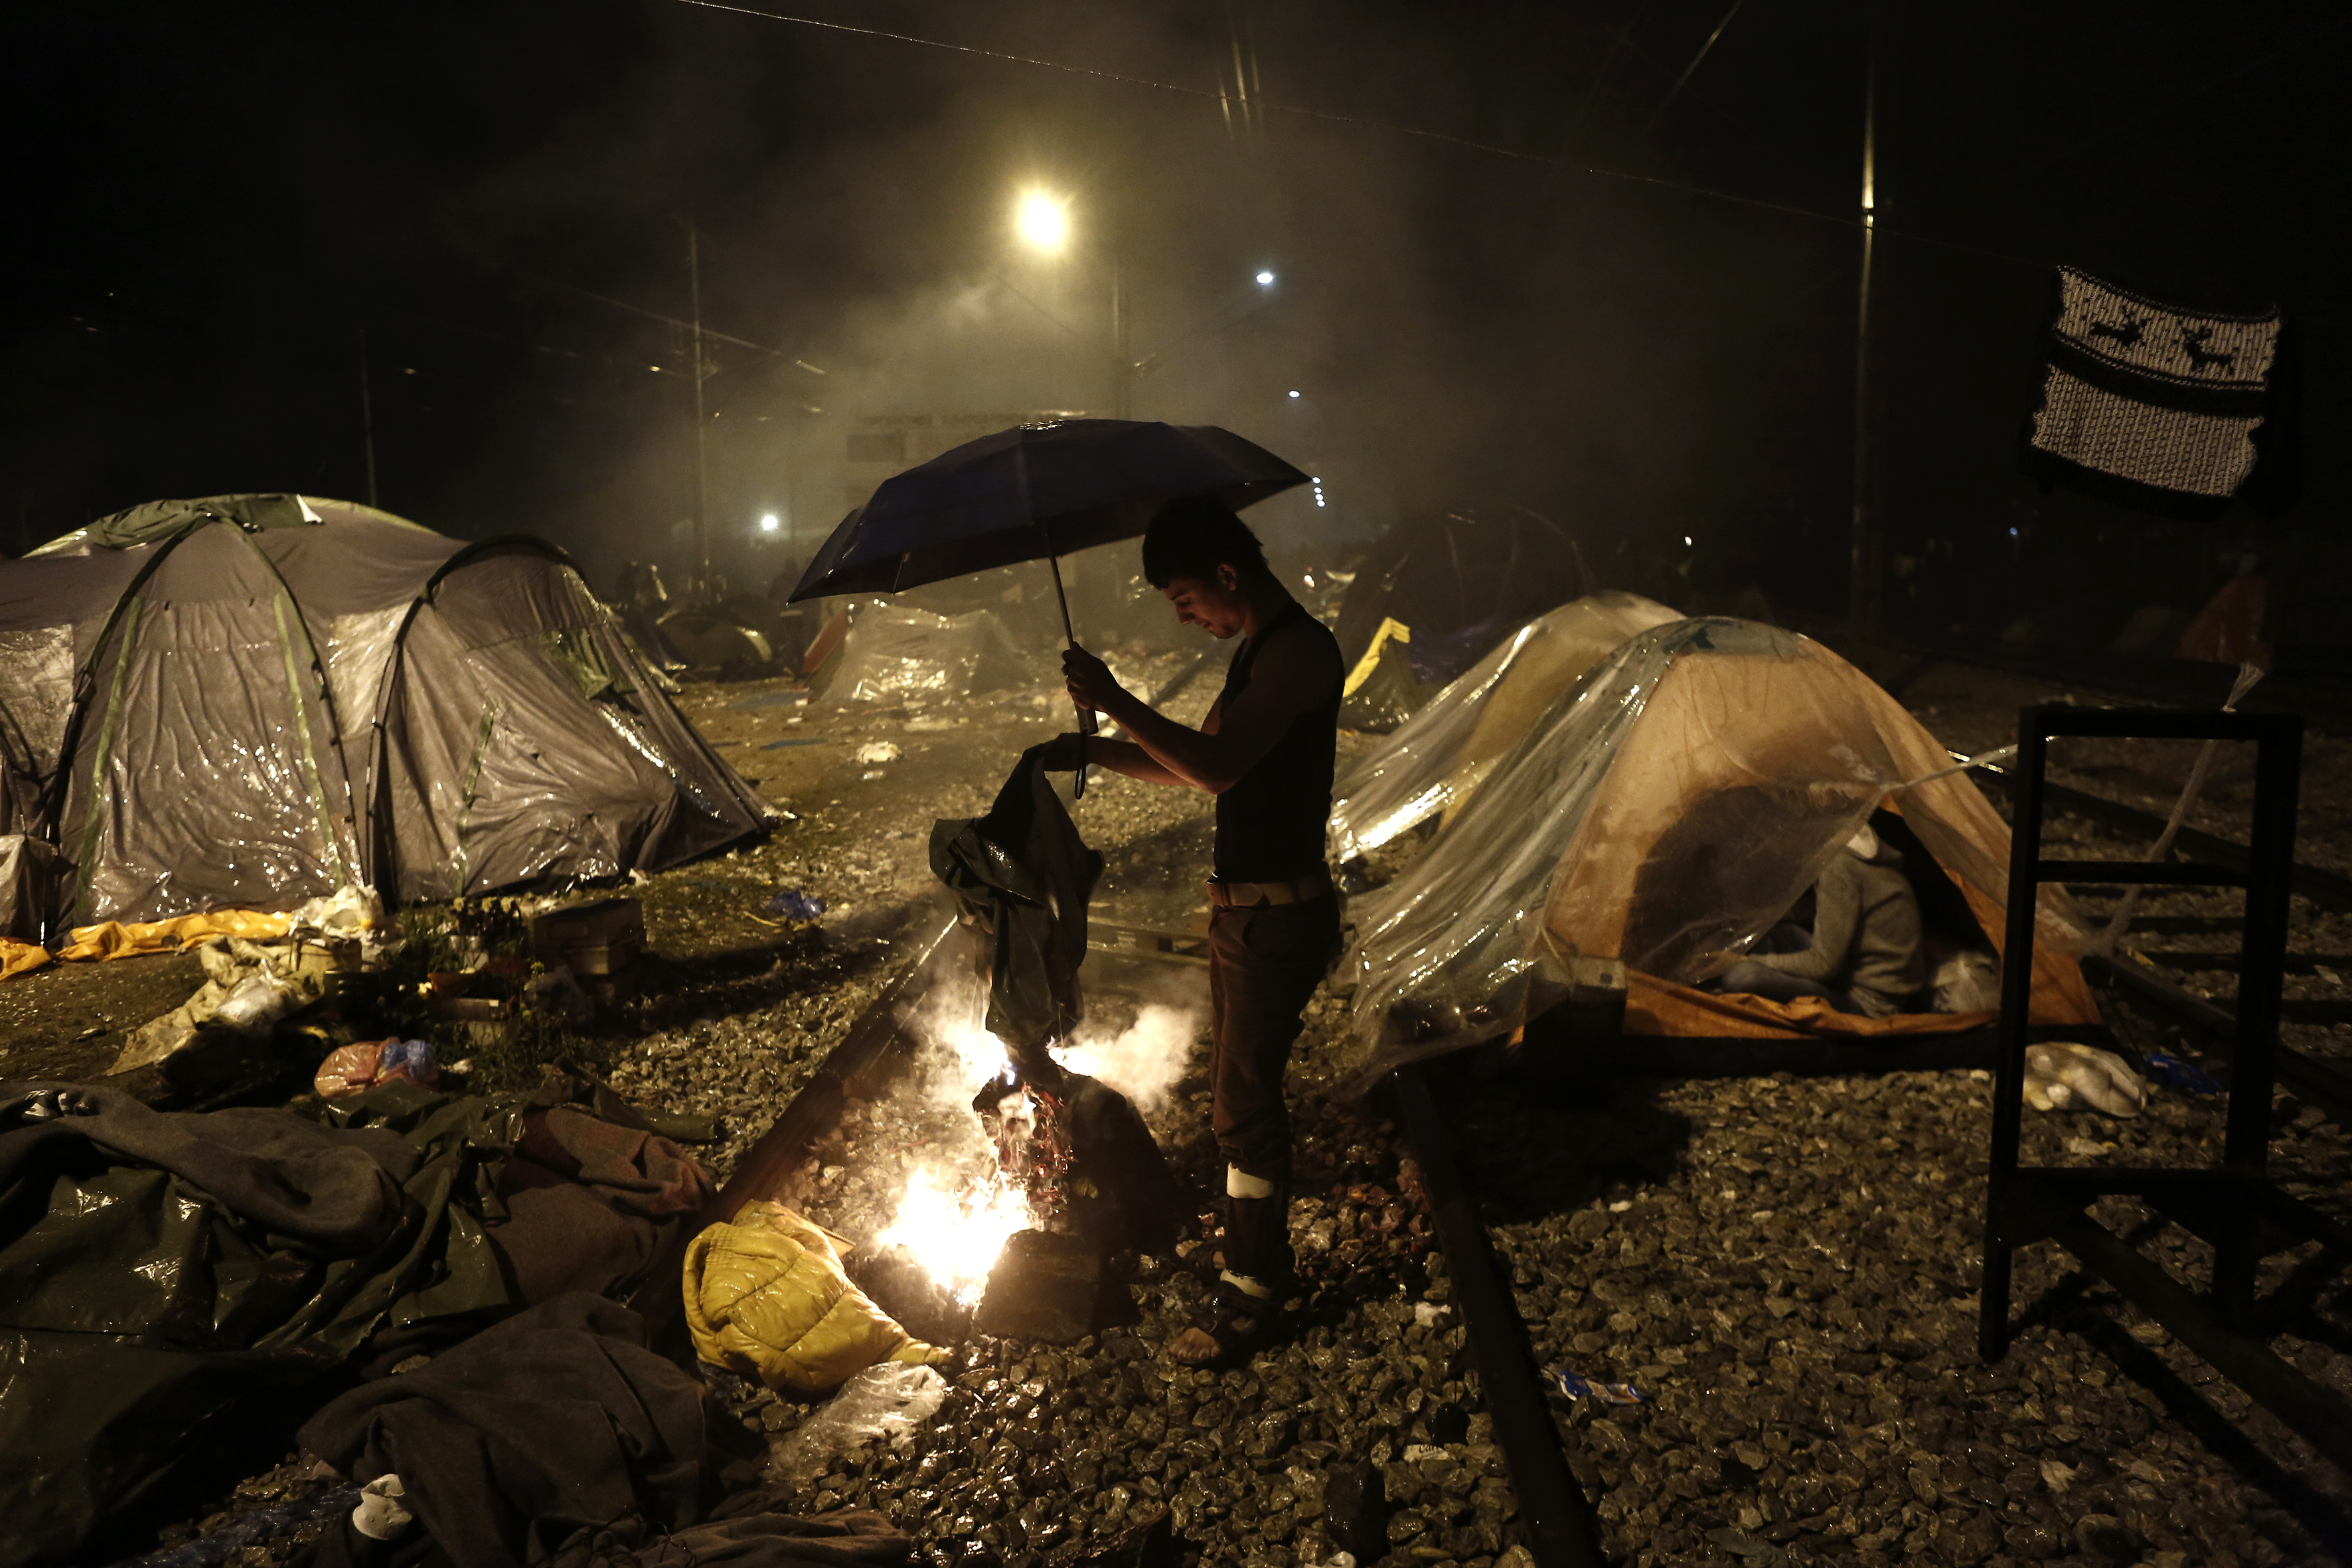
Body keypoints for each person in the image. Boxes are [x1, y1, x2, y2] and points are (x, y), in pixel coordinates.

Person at [1046, 494, 1343, 1366]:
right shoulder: (1254, 654)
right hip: (1245, 913)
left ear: (1225, 572)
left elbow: (1215, 767)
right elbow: (1186, 765)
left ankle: (1254, 1288)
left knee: (1243, 1106)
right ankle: (1250, 1255)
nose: (1184, 618)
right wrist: (1089, 748)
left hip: (1277, 915)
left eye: (1183, 599)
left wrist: (1114, 696)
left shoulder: (1298, 652)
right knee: (1236, 1097)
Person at [1717, 823, 1926, 1016]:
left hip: (1866, 1003)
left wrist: (1748, 961)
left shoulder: (1839, 867)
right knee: (1774, 930)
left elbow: (1823, 966)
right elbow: (1835, 910)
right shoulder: (1857, 858)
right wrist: (1768, 916)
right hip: (1850, 974)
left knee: (1741, 976)